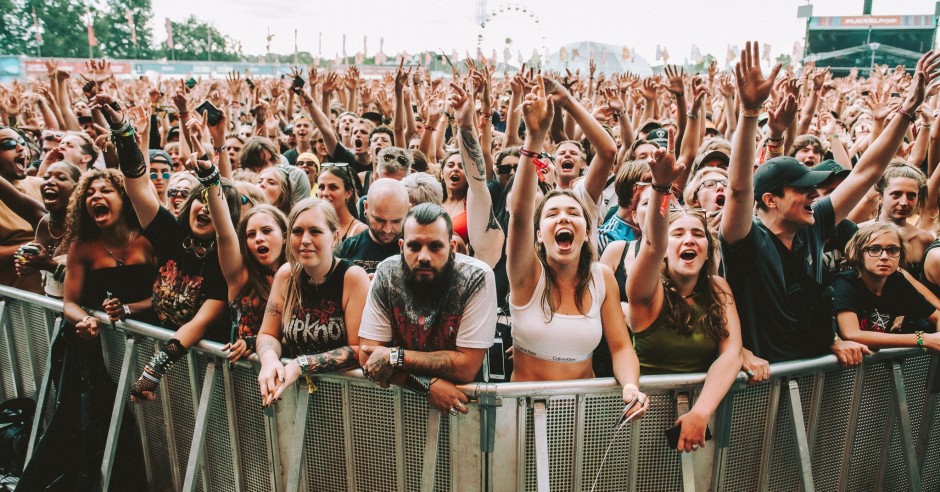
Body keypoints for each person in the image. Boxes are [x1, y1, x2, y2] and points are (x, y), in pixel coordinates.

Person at [719, 44, 939, 371]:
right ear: (769, 199)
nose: (814, 194)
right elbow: (738, 190)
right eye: (803, 189)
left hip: (815, 371)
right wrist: (750, 113)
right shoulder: (747, 239)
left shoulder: (816, 224)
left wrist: (908, 109)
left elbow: (867, 171)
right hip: (760, 380)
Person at [506, 76, 647, 420]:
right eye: (552, 214)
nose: (563, 218)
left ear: (587, 233)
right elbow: (521, 213)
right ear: (540, 235)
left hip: (583, 418)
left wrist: (630, 385)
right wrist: (533, 140)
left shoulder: (602, 278)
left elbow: (621, 347)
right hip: (525, 416)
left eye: (573, 213)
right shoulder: (526, 275)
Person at [93, 94, 239, 402]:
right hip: (166, 358)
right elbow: (136, 186)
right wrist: (123, 131)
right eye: (198, 199)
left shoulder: (224, 260)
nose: (204, 209)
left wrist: (152, 373)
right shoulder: (172, 236)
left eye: (212, 204)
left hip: (210, 373)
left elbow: (199, 322)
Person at [18, 168, 151, 490]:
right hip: (90, 352)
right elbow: (70, 302)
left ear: (124, 197)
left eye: (105, 190)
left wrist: (129, 309)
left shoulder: (147, 241)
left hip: (142, 350)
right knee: (90, 428)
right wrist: (86, 320)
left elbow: (160, 297)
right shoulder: (82, 245)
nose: (96, 197)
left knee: (144, 432)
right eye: (90, 193)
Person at [626, 147, 742, 453]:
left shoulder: (718, 288)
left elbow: (731, 355)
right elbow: (651, 244)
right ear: (666, 247)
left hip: (699, 421)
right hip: (645, 421)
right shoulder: (648, 292)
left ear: (707, 249)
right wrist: (661, 188)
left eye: (697, 234)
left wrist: (700, 412)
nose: (689, 239)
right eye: (677, 234)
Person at [357, 203, 497, 415]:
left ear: (452, 247)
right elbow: (369, 358)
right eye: (414, 246)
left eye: (435, 246)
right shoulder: (387, 273)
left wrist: (395, 357)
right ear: (401, 246)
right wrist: (425, 385)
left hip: (463, 408)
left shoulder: (476, 277)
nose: (423, 256)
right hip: (399, 406)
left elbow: (466, 367)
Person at [255, 198, 370, 406]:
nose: (305, 240)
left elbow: (358, 350)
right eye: (297, 231)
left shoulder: (352, 277)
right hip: (295, 396)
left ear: (334, 237)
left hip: (346, 399)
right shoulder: (286, 275)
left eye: (315, 231)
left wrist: (302, 365)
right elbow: (268, 334)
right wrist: (269, 359)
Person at [833, 222, 940, 349]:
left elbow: (937, 316)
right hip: (844, 365)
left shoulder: (897, 282)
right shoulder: (845, 283)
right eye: (874, 249)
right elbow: (851, 334)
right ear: (859, 252)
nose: (884, 257)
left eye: (892, 250)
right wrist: (922, 338)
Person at [11, 161, 82, 298]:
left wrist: (49, 265)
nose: (50, 182)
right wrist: (28, 263)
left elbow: (93, 282)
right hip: (50, 310)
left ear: (78, 188)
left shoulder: (87, 228)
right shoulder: (43, 222)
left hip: (84, 315)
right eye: (46, 177)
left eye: (61, 178)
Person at [336, 177, 409, 275]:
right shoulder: (346, 250)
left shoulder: (416, 250)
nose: (387, 229)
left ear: (408, 211)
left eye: (396, 221)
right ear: (366, 207)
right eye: (379, 220)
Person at [317, 164, 367, 242]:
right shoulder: (314, 226)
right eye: (321, 187)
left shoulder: (360, 232)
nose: (325, 193)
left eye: (333, 187)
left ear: (348, 193)